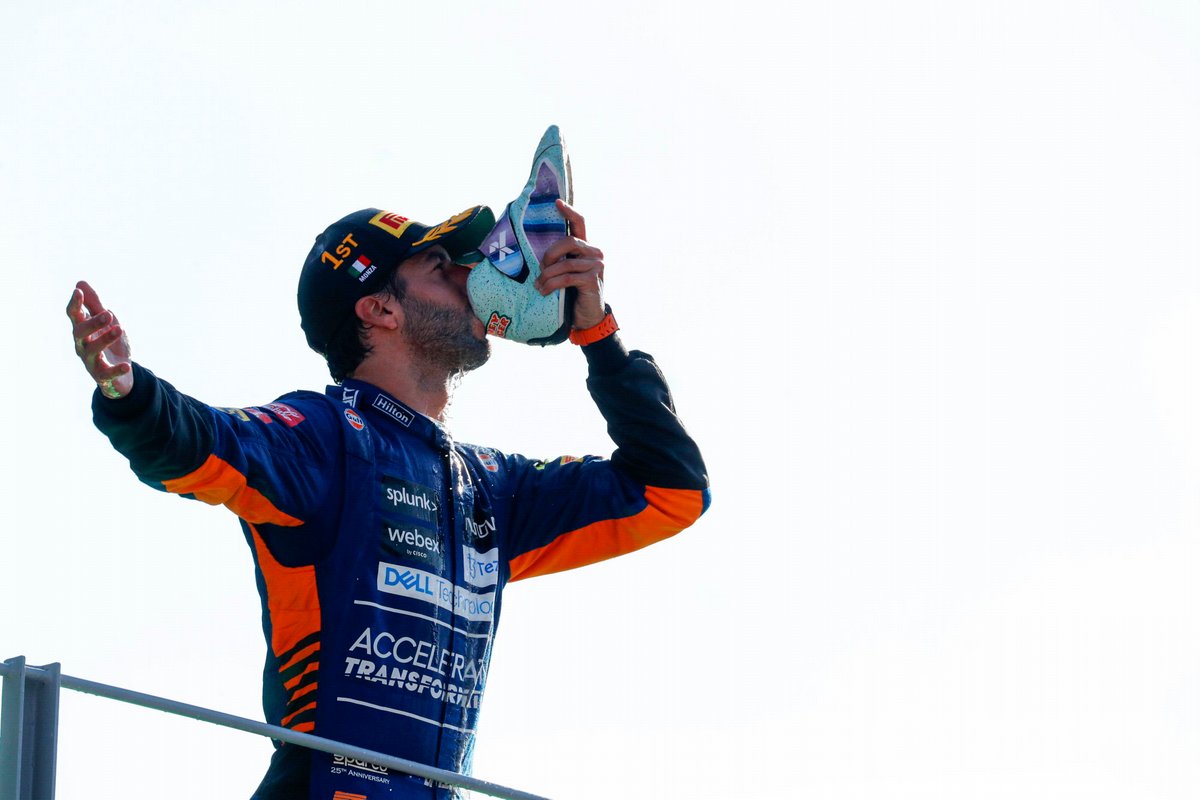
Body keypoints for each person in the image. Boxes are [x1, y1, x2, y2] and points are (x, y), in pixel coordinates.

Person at [68, 194, 710, 799]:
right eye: (438, 266)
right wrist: (129, 391)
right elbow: (199, 441)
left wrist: (595, 332)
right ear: (380, 310)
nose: (469, 276)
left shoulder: (493, 487)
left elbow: (671, 489)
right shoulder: (321, 438)